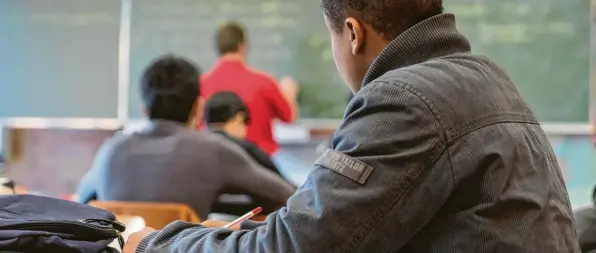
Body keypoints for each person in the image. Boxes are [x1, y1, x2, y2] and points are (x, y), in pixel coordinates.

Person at [125, 1, 579, 252]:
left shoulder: (404, 98)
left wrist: (156, 244)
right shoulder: (490, 78)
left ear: (354, 33)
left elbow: (295, 247)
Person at [77, 55, 294, 220]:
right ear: (198, 108)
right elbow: (288, 197)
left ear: (144, 109)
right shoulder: (214, 151)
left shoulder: (111, 150)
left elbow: (83, 199)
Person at [203, 91, 282, 178]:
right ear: (239, 118)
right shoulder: (247, 151)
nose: (245, 131)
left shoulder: (194, 150)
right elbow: (283, 186)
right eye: (245, 123)